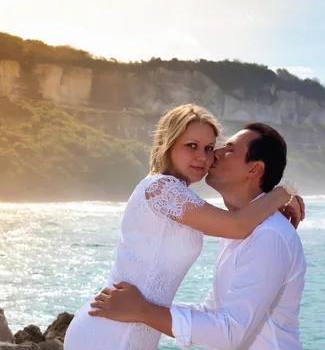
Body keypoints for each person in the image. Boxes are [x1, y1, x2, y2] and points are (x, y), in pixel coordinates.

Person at [64, 105, 303, 350]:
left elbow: (218, 316)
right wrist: (283, 193)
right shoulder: (162, 188)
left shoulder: (261, 231)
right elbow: (237, 225)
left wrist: (144, 310)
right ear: (168, 144)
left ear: (254, 168)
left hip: (132, 324)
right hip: (109, 330)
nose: (209, 156)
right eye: (192, 146)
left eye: (211, 148)